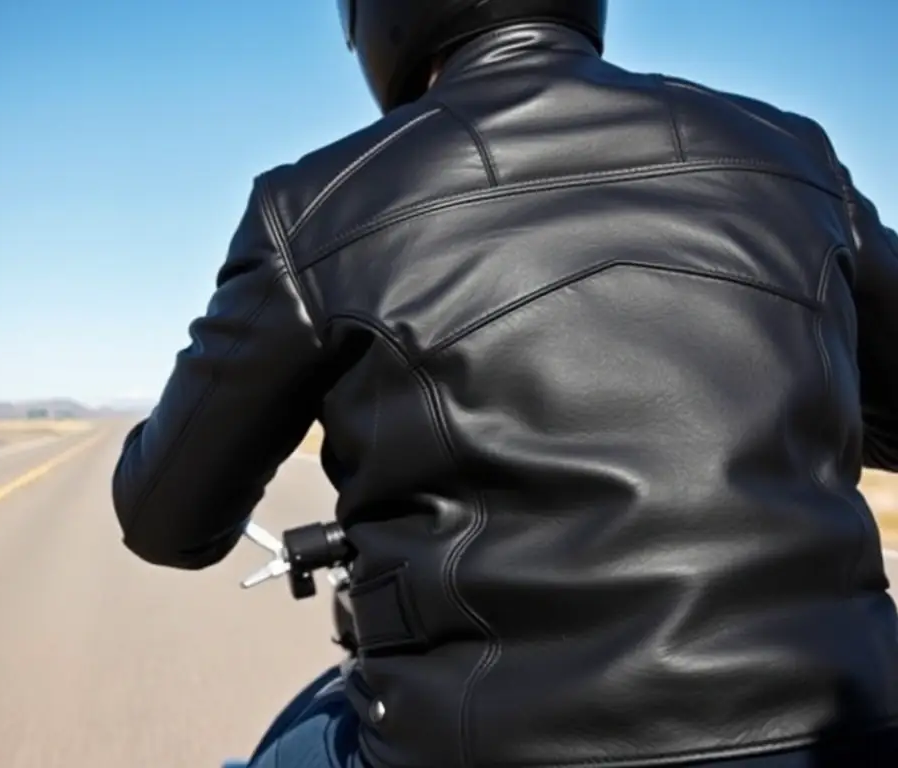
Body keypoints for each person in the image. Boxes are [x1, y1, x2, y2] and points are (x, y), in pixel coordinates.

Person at [111, 1, 898, 765]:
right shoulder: (795, 156)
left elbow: (167, 524)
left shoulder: (314, 209)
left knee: (291, 740)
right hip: (846, 726)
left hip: (485, 745)